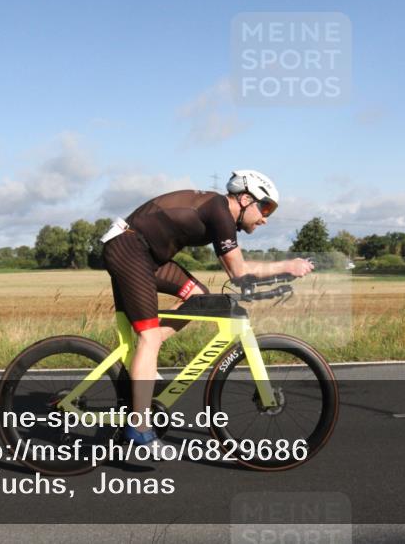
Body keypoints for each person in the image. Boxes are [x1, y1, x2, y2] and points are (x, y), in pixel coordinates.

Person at [100, 170, 314, 458]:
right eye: (265, 208)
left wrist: (277, 277)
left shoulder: (218, 211)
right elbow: (238, 271)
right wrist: (286, 266)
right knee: (148, 338)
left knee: (198, 297)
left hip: (147, 254)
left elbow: (238, 272)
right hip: (129, 249)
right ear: (245, 199)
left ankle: (147, 359)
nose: (265, 218)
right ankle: (139, 427)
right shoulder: (219, 211)